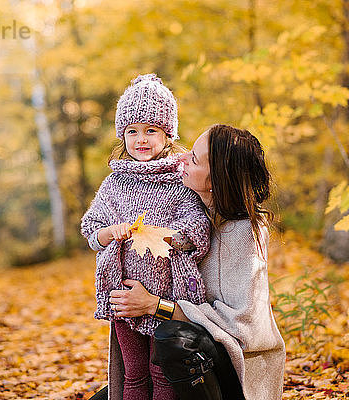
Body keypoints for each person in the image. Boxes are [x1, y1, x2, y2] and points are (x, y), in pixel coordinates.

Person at [107, 124, 286, 400]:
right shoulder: (194, 214)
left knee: (174, 339)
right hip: (191, 360)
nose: (181, 160)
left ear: (216, 180)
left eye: (193, 159)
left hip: (236, 371)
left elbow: (239, 325)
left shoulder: (245, 232)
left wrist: (154, 305)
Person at [81, 74, 211, 400]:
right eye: (132, 131)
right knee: (134, 374)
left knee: (162, 371)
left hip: (165, 298)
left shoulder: (178, 181)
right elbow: (91, 230)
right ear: (122, 135)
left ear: (167, 134)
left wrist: (172, 238)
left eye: (151, 130)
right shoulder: (114, 183)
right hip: (123, 297)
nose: (141, 139)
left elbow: (198, 228)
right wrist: (110, 233)